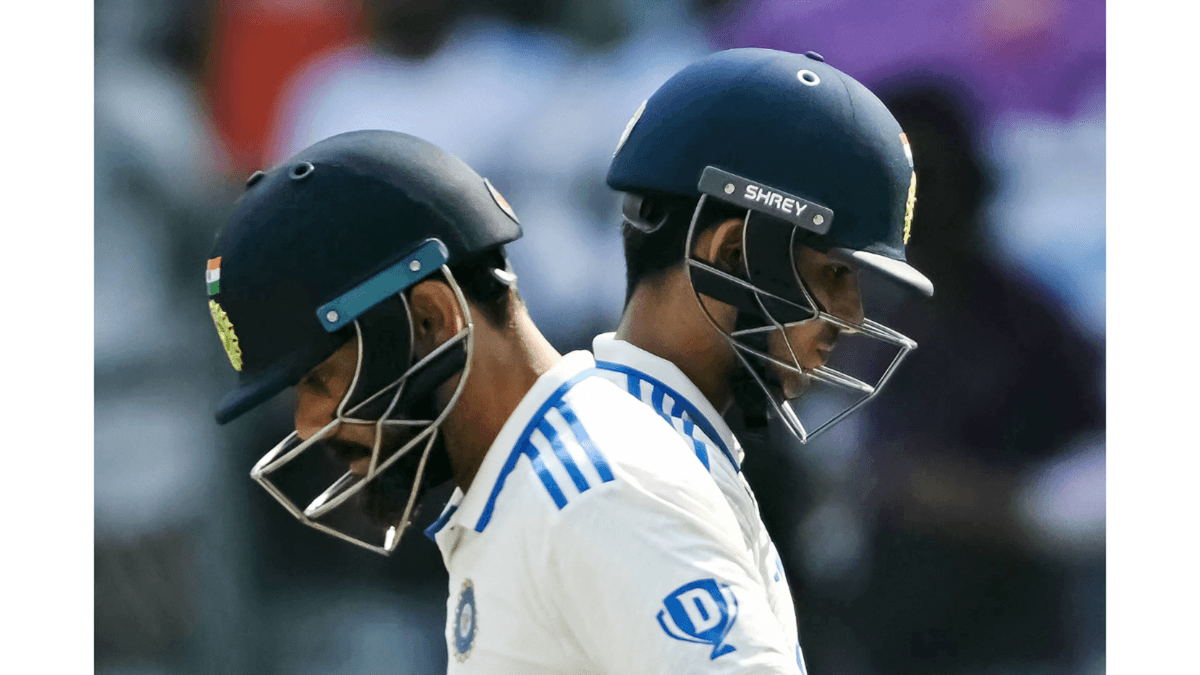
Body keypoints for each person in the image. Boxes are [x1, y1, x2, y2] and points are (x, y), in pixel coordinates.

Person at [205, 129, 807, 672]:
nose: (309, 426)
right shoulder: (526, 488)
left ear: (432, 318)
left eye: (318, 379)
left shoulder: (596, 494)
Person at [593, 48, 936, 671]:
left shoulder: (650, 442)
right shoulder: (639, 478)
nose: (853, 317)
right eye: (834, 273)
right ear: (730, 255)